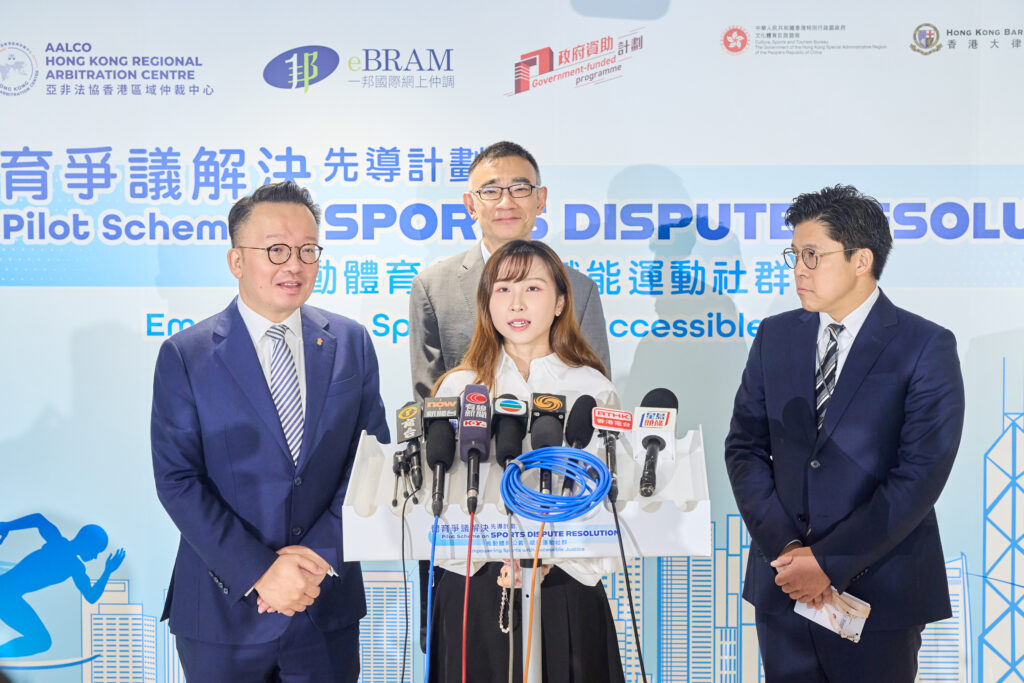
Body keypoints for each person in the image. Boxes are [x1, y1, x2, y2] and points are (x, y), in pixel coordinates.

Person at [724, 185, 965, 682]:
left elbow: (919, 475)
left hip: (879, 592)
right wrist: (789, 552)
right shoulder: (775, 335)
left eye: (813, 255)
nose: (798, 269)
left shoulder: (924, 345)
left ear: (861, 260)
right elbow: (744, 447)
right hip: (785, 587)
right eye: (794, 255)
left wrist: (828, 562)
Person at [150, 181, 389, 682]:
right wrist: (261, 571)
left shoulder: (351, 342)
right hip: (223, 612)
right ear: (236, 261)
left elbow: (370, 460)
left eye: (307, 250)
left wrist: (315, 559)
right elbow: (178, 480)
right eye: (276, 250)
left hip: (324, 603)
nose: (294, 265)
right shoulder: (186, 355)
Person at [428, 239, 624, 683]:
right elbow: (438, 497)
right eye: (502, 289)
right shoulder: (459, 387)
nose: (516, 303)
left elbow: (610, 496)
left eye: (532, 288)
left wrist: (554, 557)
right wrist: (495, 556)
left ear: (560, 303)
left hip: (565, 585)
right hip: (476, 586)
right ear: (486, 303)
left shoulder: (592, 388)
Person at [409, 140, 611, 401]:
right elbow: (429, 404)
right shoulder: (433, 288)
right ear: (471, 205)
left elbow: (596, 398)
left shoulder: (580, 288)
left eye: (520, 189)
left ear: (540, 200)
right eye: (491, 191)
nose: (506, 202)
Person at [0, 514, 125, 657]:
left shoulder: (72, 562)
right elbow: (38, 519)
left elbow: (91, 596)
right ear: (87, 543)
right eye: (96, 551)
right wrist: (6, 526)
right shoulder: (59, 545)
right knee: (41, 641)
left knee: (41, 641)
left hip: (9, 597)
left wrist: (107, 571)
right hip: (5, 594)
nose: (95, 556)